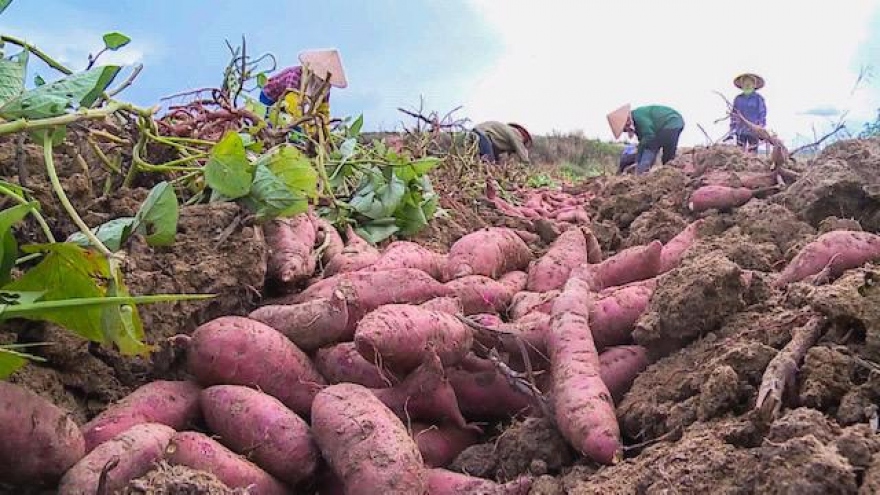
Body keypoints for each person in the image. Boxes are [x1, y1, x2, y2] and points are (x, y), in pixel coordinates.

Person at [257, 49, 347, 136]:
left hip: (295, 104)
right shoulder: (295, 75)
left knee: (295, 127)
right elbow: (291, 104)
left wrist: (324, 127)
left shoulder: (324, 89)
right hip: (270, 96)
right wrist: (305, 127)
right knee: (266, 121)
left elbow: (323, 110)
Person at [607, 104, 685, 174]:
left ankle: (643, 172)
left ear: (627, 121)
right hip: (674, 124)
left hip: (671, 122)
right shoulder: (636, 123)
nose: (626, 131)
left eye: (624, 129)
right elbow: (643, 139)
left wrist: (639, 152)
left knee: (653, 146)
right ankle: (668, 172)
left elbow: (649, 136)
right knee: (663, 154)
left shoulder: (638, 117)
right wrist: (639, 154)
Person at [727, 72, 767, 153]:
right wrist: (732, 129)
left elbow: (762, 114)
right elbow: (733, 115)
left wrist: (761, 127)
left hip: (754, 131)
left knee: (752, 153)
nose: (747, 85)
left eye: (750, 83)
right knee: (739, 153)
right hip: (740, 130)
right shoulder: (738, 99)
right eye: (745, 83)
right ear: (742, 85)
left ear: (754, 85)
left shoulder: (758, 99)